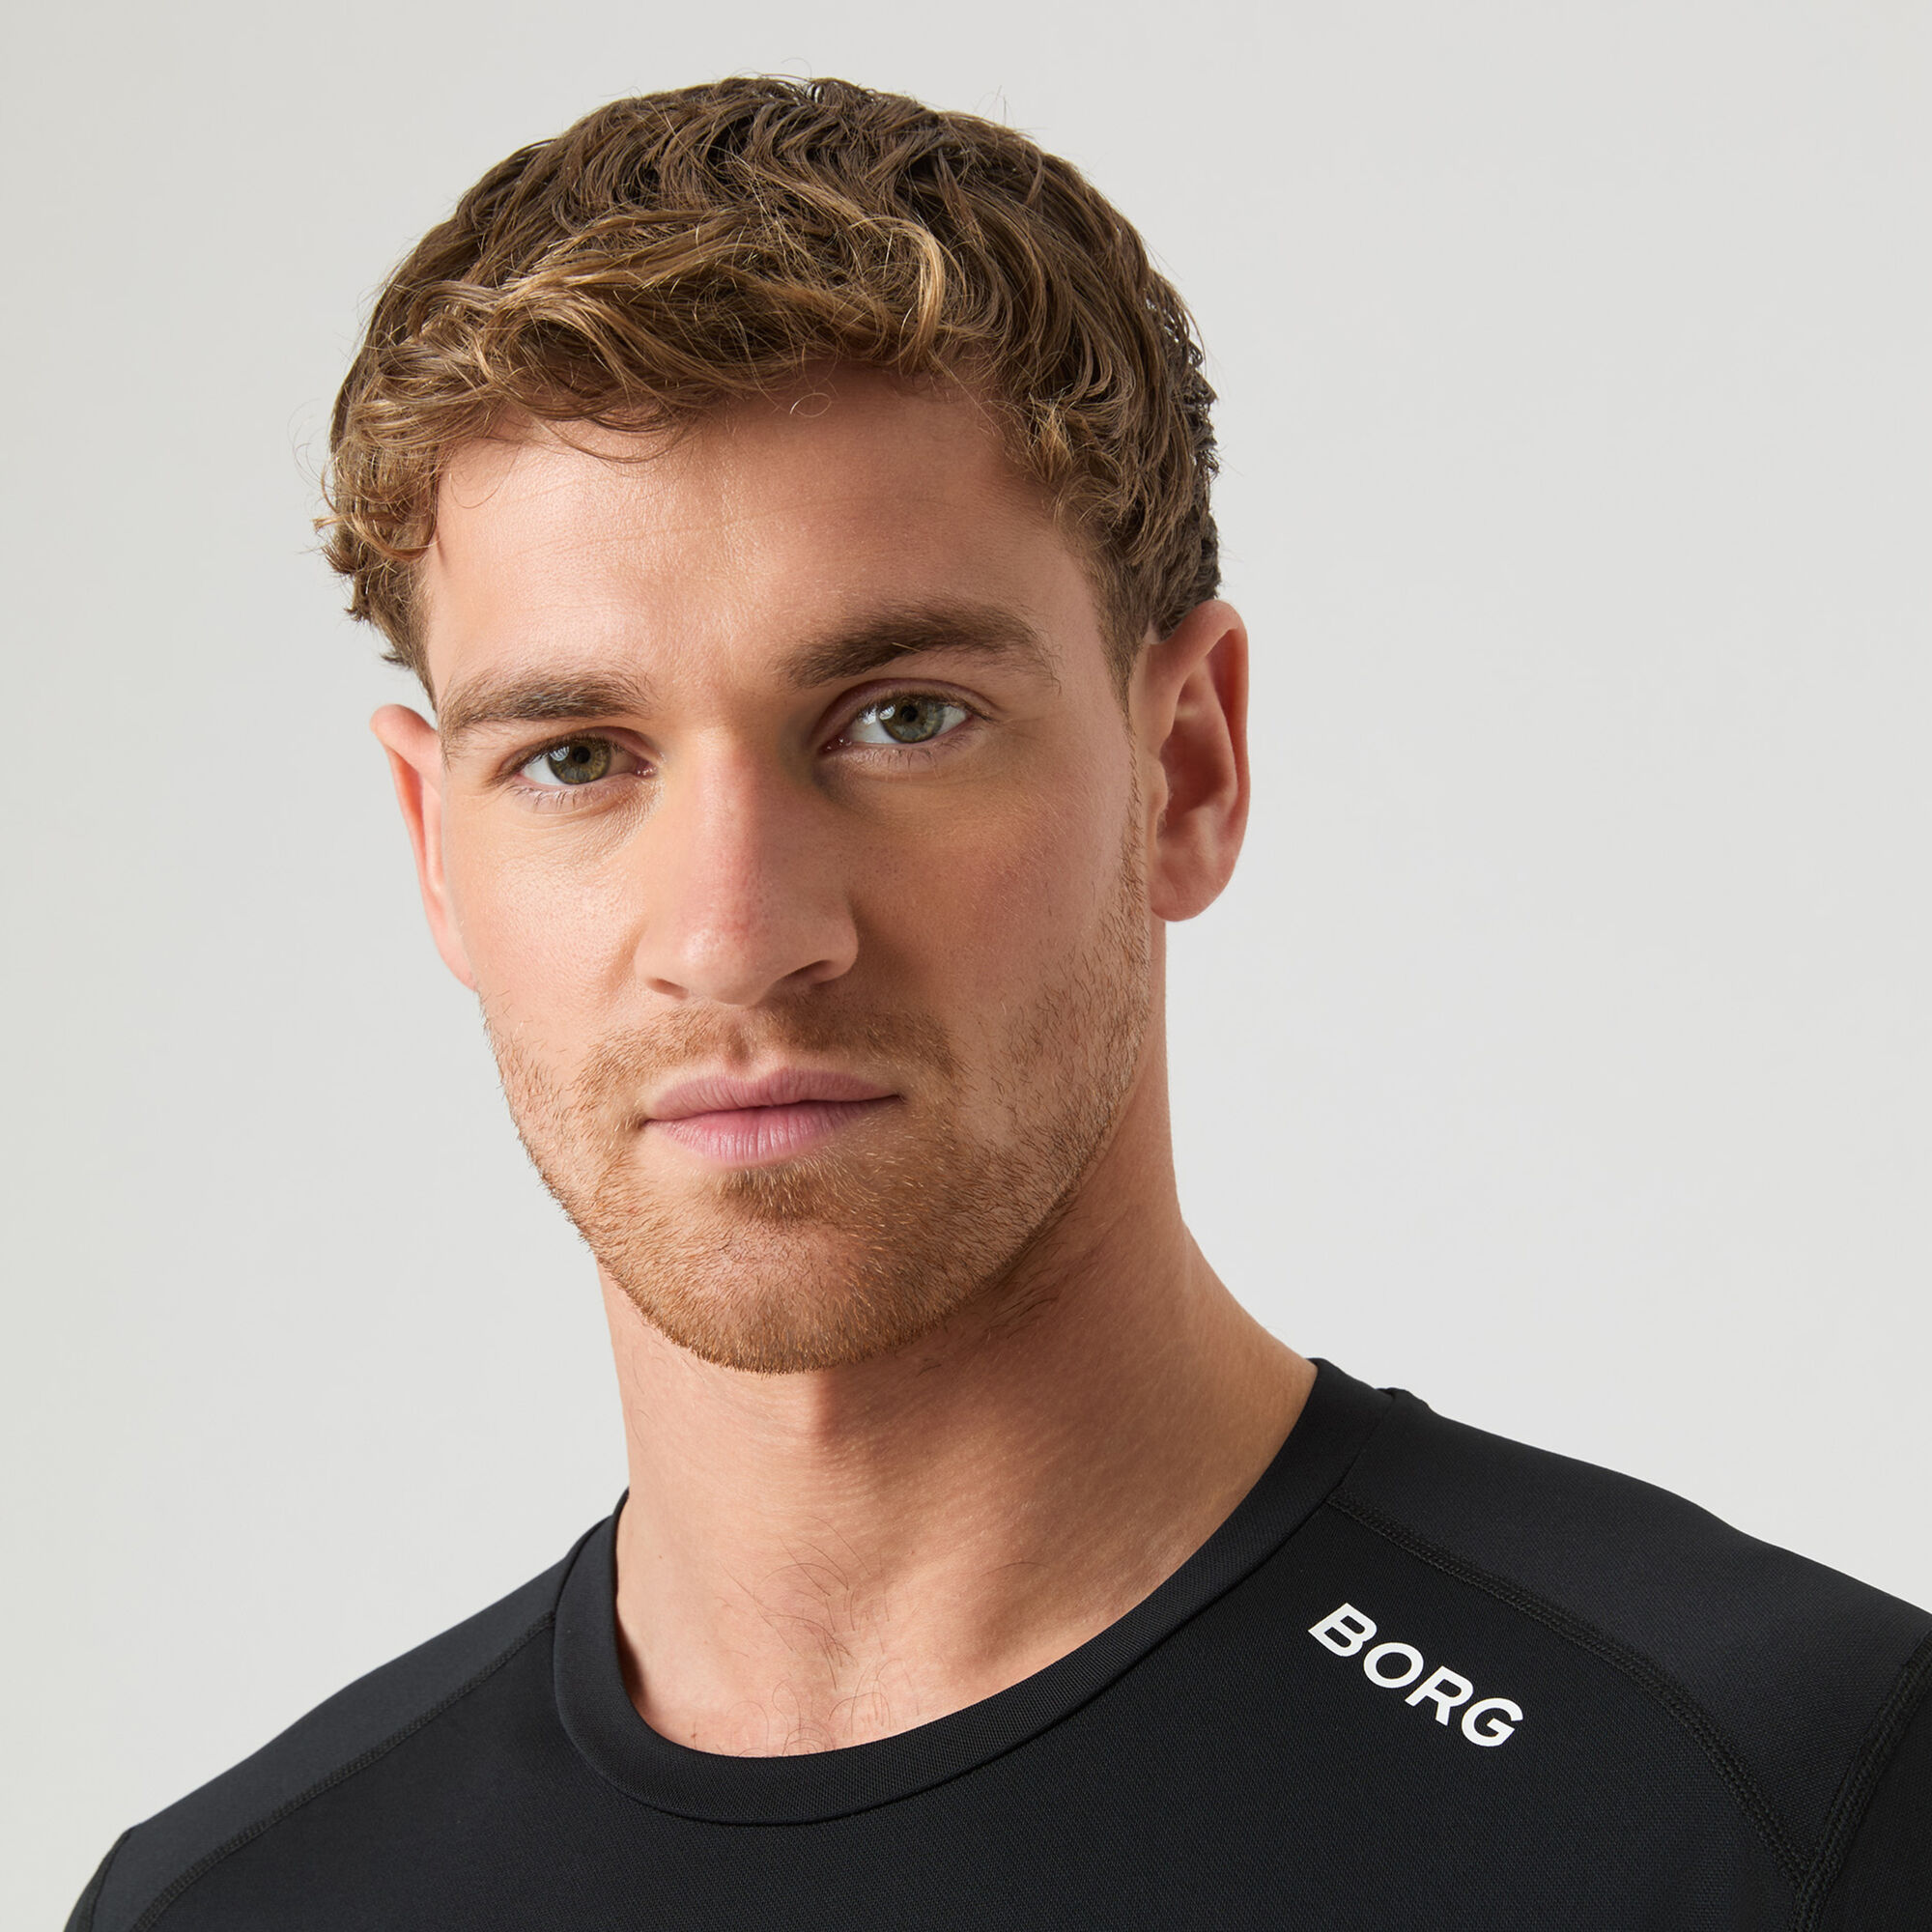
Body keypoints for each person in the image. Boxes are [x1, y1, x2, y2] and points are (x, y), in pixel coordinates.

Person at [68, 75, 1928, 1931]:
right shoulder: (233, 1908)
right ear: (433, 847)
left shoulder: (1783, 1812)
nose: (736, 933)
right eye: (575, 757)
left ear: (1185, 767)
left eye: (901, 719)